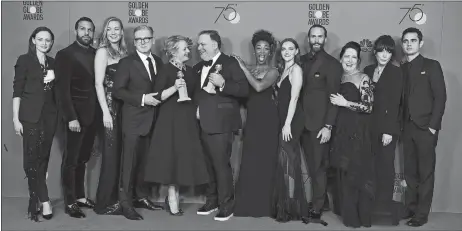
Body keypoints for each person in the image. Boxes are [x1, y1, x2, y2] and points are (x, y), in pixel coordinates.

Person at [144, 35, 209, 216]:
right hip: (169, 120)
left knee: (181, 158)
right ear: (173, 51)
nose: (189, 51)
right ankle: (172, 196)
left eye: (188, 48)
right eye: (184, 49)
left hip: (187, 120)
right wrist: (174, 87)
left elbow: (196, 96)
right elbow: (156, 96)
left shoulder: (190, 71)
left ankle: (175, 193)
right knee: (171, 157)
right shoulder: (164, 70)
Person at [193, 30, 249, 221]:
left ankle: (227, 205)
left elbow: (244, 90)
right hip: (201, 124)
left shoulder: (230, 63)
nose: (199, 48)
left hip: (222, 123)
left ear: (215, 44)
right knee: (207, 165)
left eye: (203, 44)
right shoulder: (198, 67)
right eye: (198, 45)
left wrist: (224, 83)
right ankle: (212, 200)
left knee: (220, 165)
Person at [113, 25, 164, 220]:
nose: (143, 42)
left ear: (152, 40)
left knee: (145, 163)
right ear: (134, 42)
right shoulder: (126, 63)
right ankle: (125, 203)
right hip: (133, 121)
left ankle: (141, 197)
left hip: (153, 121)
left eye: (146, 38)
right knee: (129, 164)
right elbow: (118, 90)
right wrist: (143, 98)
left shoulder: (158, 61)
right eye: (138, 39)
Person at [400, 27, 447, 227]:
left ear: (421, 43)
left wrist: (433, 127)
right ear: (402, 44)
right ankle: (410, 208)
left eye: (413, 40)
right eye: (405, 41)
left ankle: (421, 214)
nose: (409, 44)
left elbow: (440, 97)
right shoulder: (400, 69)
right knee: (409, 171)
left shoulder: (432, 65)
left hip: (425, 128)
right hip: (406, 128)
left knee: (425, 172)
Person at [55, 17, 100, 218]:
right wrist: (71, 117)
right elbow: (62, 90)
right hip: (75, 117)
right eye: (82, 29)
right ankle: (70, 201)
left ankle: (81, 197)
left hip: (92, 116)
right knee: (71, 161)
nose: (86, 33)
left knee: (83, 159)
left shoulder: (96, 53)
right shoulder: (65, 55)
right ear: (76, 31)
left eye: (89, 30)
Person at [232, 30, 280, 217]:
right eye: (258, 47)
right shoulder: (249, 69)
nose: (261, 51)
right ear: (254, 50)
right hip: (252, 120)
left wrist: (243, 68)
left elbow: (259, 87)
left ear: (270, 52)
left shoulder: (273, 71)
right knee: (250, 161)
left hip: (268, 121)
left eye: (265, 48)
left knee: (265, 163)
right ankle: (247, 205)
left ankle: (265, 206)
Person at [12, 26, 58, 222]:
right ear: (33, 40)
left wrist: (56, 78)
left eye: (48, 40)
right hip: (29, 117)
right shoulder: (24, 60)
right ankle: (43, 200)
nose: (44, 43)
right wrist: (15, 118)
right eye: (41, 39)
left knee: (43, 159)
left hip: (49, 117)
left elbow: (59, 92)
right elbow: (17, 92)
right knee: (31, 161)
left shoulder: (54, 63)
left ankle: (40, 198)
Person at [329, 41, 375, 228]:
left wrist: (345, 103)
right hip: (340, 129)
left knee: (356, 173)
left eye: (353, 57)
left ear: (358, 60)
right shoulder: (335, 77)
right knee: (343, 171)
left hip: (357, 131)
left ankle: (360, 217)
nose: (349, 60)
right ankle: (348, 215)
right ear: (341, 58)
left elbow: (369, 106)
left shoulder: (363, 78)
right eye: (346, 56)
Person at [299, 24, 342, 218]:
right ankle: (321, 200)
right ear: (308, 39)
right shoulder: (299, 61)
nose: (316, 40)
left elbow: (334, 97)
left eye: (320, 37)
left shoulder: (332, 64)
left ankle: (317, 206)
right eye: (313, 37)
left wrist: (328, 126)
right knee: (311, 165)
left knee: (318, 167)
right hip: (301, 123)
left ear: (325, 39)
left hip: (320, 126)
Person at [363, 35, 403, 225]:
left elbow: (396, 104)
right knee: (370, 164)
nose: (385, 54)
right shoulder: (368, 70)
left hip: (387, 127)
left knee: (386, 165)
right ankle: (372, 201)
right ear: (375, 51)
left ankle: (385, 203)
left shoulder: (396, 73)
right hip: (368, 126)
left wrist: (388, 130)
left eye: (388, 51)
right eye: (381, 50)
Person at [271, 38, 310, 223]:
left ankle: (291, 208)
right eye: (284, 49)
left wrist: (287, 124)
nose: (287, 51)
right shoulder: (282, 70)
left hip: (292, 120)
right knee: (285, 162)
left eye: (290, 49)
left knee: (289, 162)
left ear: (296, 51)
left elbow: (294, 99)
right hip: (283, 118)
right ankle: (286, 205)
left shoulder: (296, 70)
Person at [93, 16, 128, 216]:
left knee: (121, 156)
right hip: (110, 107)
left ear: (122, 32)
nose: (113, 32)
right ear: (105, 32)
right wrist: (106, 111)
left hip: (125, 107)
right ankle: (104, 203)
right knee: (111, 156)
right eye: (109, 29)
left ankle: (117, 200)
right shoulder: (102, 52)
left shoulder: (125, 52)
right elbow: (99, 84)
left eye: (117, 29)